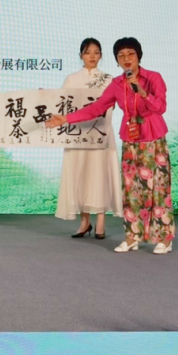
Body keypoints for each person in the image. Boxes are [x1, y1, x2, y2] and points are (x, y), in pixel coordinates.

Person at [46, 37, 174, 255]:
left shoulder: (153, 77)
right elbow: (96, 108)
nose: (126, 59)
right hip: (130, 139)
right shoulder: (116, 84)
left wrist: (142, 91)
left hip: (153, 137)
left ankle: (164, 238)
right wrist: (65, 119)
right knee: (131, 190)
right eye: (121, 56)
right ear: (116, 60)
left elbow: (160, 107)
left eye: (130, 54)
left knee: (158, 188)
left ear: (139, 56)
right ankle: (132, 237)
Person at [55, 38, 122, 240]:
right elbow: (62, 104)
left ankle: (100, 222)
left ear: (101, 55)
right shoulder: (71, 79)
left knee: (99, 174)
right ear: (81, 55)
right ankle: (84, 222)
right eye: (87, 52)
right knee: (80, 174)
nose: (92, 56)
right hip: (78, 135)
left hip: (100, 133)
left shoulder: (109, 79)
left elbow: (112, 105)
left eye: (96, 52)